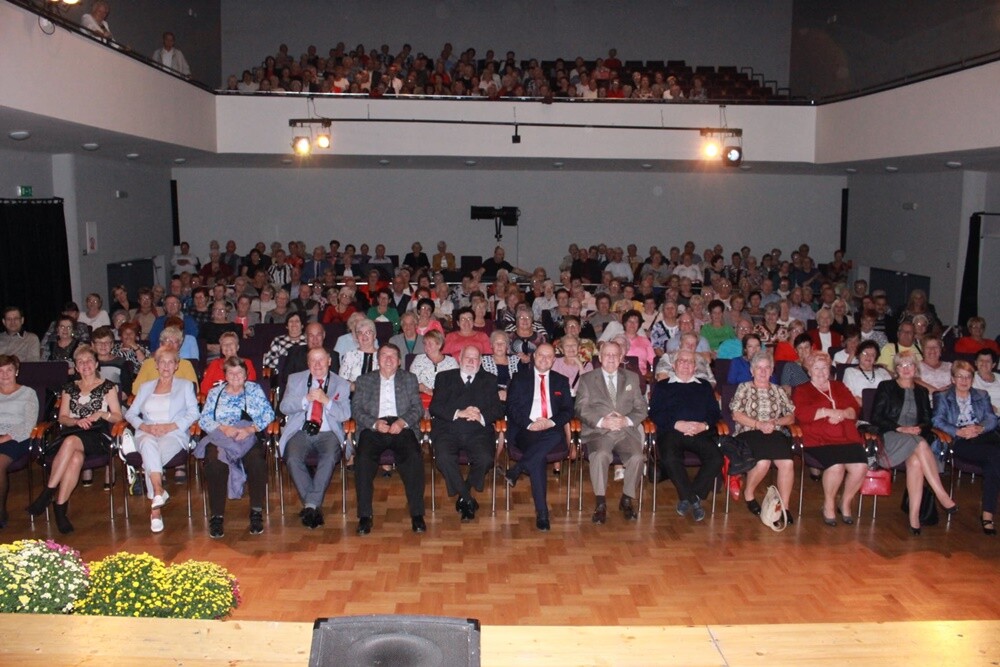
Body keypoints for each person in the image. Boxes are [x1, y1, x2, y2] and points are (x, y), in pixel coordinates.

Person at [27, 345, 123, 533]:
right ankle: (60, 511)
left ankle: (47, 492)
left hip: (97, 435)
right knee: (76, 458)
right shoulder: (69, 388)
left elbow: (118, 417)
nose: (85, 364)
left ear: (96, 364)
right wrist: (76, 421)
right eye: (80, 362)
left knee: (70, 442)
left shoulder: (108, 386)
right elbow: (62, 418)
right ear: (76, 368)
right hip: (72, 431)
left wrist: (101, 414)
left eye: (88, 360)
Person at [870, 352, 958, 534]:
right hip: (891, 437)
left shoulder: (922, 391)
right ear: (896, 370)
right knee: (920, 444)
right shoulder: (886, 387)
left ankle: (914, 517)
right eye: (901, 366)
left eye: (909, 365)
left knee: (916, 461)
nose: (906, 369)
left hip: (915, 440)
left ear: (916, 368)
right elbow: (876, 418)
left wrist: (919, 428)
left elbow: (927, 421)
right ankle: (942, 495)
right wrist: (900, 428)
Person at [196, 357, 275, 539]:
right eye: (230, 372)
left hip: (247, 437)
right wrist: (224, 428)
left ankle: (256, 512)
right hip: (221, 438)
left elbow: (269, 414)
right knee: (215, 465)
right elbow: (204, 419)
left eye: (239, 372)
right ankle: (217, 516)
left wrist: (249, 429)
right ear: (224, 375)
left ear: (246, 374)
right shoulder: (215, 393)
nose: (235, 376)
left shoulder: (254, 389)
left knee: (256, 463)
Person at [351, 345, 426, 535]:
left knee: (414, 458)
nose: (389, 359)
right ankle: (365, 516)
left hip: (401, 426)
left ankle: (417, 514)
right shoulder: (364, 380)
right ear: (378, 359)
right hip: (374, 427)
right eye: (384, 355)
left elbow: (418, 408)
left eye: (393, 356)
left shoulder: (409, 379)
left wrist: (402, 422)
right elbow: (356, 410)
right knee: (363, 460)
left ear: (400, 361)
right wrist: (375, 424)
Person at [124, 347, 199, 533]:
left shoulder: (185, 385)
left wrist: (170, 427)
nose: (166, 366)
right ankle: (158, 493)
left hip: (174, 433)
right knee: (148, 444)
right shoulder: (145, 387)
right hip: (147, 431)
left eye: (170, 362)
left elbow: (194, 413)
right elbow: (131, 414)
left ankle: (156, 507)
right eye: (162, 362)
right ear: (156, 365)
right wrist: (145, 427)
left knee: (151, 457)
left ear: (176, 365)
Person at [278, 347, 351, 529]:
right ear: (308, 363)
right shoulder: (295, 379)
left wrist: (327, 401)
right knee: (293, 458)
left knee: (328, 458)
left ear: (329, 361)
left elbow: (344, 415)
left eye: (321, 360)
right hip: (301, 431)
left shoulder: (341, 383)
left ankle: (310, 505)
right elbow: (284, 407)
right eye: (313, 361)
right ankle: (313, 505)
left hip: (328, 432)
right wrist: (304, 400)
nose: (317, 365)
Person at [575, 341, 647, 524]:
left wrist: (626, 420)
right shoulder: (587, 379)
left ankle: (627, 498)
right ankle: (600, 503)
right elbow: (581, 409)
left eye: (615, 355)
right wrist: (602, 421)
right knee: (600, 455)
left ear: (621, 357)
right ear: (599, 357)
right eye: (607, 354)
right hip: (599, 431)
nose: (611, 358)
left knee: (638, 457)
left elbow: (641, 408)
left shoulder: (631, 378)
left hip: (625, 430)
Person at [792, 352, 868, 526]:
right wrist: (827, 412)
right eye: (816, 368)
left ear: (829, 369)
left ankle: (845, 501)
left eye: (824, 368)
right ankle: (829, 504)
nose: (820, 372)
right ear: (809, 371)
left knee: (861, 467)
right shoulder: (802, 389)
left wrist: (842, 414)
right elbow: (802, 414)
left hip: (847, 437)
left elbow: (854, 409)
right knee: (836, 466)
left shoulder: (839, 386)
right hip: (819, 439)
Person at [429, 346, 504, 522]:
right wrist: (459, 413)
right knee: (444, 458)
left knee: (486, 459)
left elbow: (498, 409)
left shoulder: (489, 379)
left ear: (480, 362)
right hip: (448, 430)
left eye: (475, 358)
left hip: (478, 432)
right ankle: (467, 498)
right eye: (467, 357)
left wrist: (481, 416)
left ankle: (463, 495)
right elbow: (435, 407)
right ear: (459, 358)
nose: (471, 361)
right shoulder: (444, 377)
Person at [504, 343, 573, 531]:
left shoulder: (561, 381)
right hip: (525, 430)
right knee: (541, 452)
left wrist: (549, 422)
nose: (544, 359)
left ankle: (518, 470)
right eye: (541, 355)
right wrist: (530, 424)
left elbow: (568, 410)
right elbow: (511, 408)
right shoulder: (520, 378)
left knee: (548, 444)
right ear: (534, 357)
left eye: (549, 356)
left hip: (550, 428)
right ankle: (542, 512)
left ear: (553, 360)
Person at [648, 349, 722, 522]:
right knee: (670, 458)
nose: (686, 364)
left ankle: (689, 496)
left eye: (690, 362)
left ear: (695, 367)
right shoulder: (663, 386)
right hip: (672, 432)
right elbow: (655, 413)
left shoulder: (703, 386)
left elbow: (714, 413)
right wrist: (677, 424)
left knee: (716, 458)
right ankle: (694, 500)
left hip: (699, 432)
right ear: (674, 366)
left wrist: (703, 425)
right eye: (681, 361)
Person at [933, 360, 1000, 535]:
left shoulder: (981, 395)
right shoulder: (943, 397)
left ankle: (987, 514)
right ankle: (987, 515)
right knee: (995, 455)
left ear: (973, 378)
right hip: (959, 441)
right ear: (953, 379)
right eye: (960, 377)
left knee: (993, 462)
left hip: (982, 437)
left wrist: (980, 428)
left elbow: (992, 419)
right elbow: (937, 421)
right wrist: (958, 431)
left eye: (968, 377)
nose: (964, 381)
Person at [730, 351, 797, 524]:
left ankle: (784, 507)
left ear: (772, 370)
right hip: (749, 431)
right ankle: (749, 494)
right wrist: (758, 424)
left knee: (787, 463)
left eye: (767, 367)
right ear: (752, 371)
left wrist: (775, 422)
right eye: (758, 368)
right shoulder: (744, 387)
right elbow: (736, 414)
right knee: (763, 462)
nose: (762, 371)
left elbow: (791, 416)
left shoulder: (778, 390)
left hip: (775, 432)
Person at [0, 354, 38, 528]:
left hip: (17, 437)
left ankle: (0, 512)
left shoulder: (28, 393)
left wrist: (5, 438)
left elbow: (29, 425)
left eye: (9, 370)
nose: (4, 374)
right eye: (0, 371)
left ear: (16, 371)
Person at [131, 326, 198, 394]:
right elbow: (136, 389)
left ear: (179, 346)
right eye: (167, 340)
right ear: (161, 344)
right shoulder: (148, 363)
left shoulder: (186, 365)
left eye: (175, 342)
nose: (171, 344)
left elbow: (194, 390)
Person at [339, 318, 380, 389]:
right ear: (357, 337)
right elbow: (342, 381)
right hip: (354, 396)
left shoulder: (382, 355)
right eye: (360, 333)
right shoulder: (350, 355)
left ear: (374, 335)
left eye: (368, 332)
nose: (364, 336)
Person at [973, 349, 1000, 413]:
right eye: (981, 360)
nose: (984, 363)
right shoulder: (969, 377)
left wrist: (997, 410)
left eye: (988, 361)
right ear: (976, 363)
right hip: (981, 415)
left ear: (993, 365)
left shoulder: (999, 377)